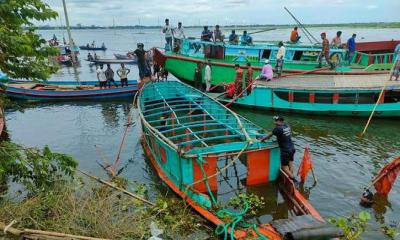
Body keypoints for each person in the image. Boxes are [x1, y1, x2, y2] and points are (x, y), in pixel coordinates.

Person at [260, 116, 296, 181]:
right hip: (292, 148)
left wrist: (262, 140)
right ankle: (292, 174)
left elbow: (269, 136)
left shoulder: (277, 128)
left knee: (284, 167)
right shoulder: (287, 126)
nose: (274, 122)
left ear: (279, 121)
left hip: (285, 151)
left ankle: (293, 179)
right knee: (290, 162)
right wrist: (278, 139)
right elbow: (285, 135)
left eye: (276, 121)